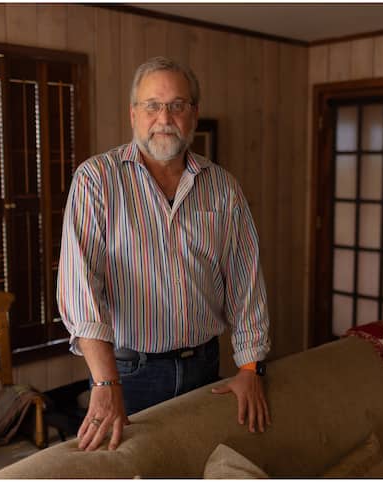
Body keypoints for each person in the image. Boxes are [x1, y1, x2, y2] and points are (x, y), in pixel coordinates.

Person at [57, 56, 271, 452]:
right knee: (129, 471)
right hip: (127, 372)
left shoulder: (224, 187)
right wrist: (105, 383)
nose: (164, 117)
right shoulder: (96, 181)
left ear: (194, 115)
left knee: (197, 464)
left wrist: (249, 367)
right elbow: (80, 289)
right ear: (133, 114)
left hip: (204, 366)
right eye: (152, 105)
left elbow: (246, 282)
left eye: (177, 105)